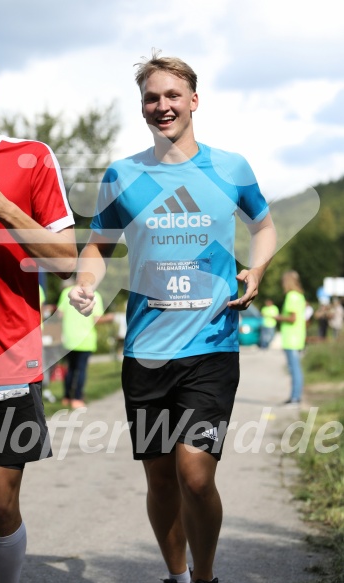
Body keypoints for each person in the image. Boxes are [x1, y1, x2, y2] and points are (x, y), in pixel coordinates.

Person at [69, 51, 276, 583]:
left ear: (194, 102)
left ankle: (203, 575)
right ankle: (177, 575)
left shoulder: (230, 167)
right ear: (142, 107)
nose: (163, 106)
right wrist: (86, 283)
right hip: (146, 352)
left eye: (172, 96)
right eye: (152, 98)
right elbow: (97, 247)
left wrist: (257, 269)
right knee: (161, 480)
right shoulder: (122, 174)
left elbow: (264, 225)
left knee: (196, 476)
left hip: (211, 346)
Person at [0, 43, 77, 583]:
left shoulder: (30, 157)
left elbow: (67, 261)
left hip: (4, 365)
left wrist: (3, 209)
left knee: (0, 506)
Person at [56, 281, 113, 408]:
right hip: (85, 338)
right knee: (80, 369)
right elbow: (96, 319)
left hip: (69, 337)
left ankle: (66, 397)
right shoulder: (94, 295)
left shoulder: (67, 292)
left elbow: (59, 315)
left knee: (70, 368)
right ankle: (77, 398)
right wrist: (109, 318)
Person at [274, 271, 306, 405]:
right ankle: (294, 396)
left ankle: (295, 398)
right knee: (295, 368)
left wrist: (278, 317)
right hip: (297, 336)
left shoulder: (291, 296)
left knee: (294, 368)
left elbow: (292, 318)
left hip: (291, 338)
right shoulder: (299, 295)